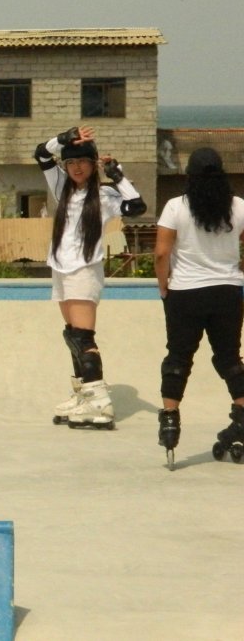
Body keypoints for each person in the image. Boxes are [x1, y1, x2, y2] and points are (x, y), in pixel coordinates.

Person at [34, 126, 147, 427]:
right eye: (71, 162)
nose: (77, 168)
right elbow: (41, 153)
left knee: (84, 337)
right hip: (60, 268)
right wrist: (64, 138)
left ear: (94, 163)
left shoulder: (105, 195)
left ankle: (100, 402)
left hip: (85, 270)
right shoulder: (60, 187)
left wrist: (118, 173)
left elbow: (136, 207)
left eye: (83, 161)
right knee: (71, 334)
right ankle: (83, 395)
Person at [154, 147, 244, 462]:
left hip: (185, 294)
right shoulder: (239, 207)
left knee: (178, 358)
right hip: (227, 293)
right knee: (229, 359)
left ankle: (169, 419)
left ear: (189, 177)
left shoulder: (175, 207)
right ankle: (243, 415)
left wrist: (164, 286)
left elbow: (162, 253)